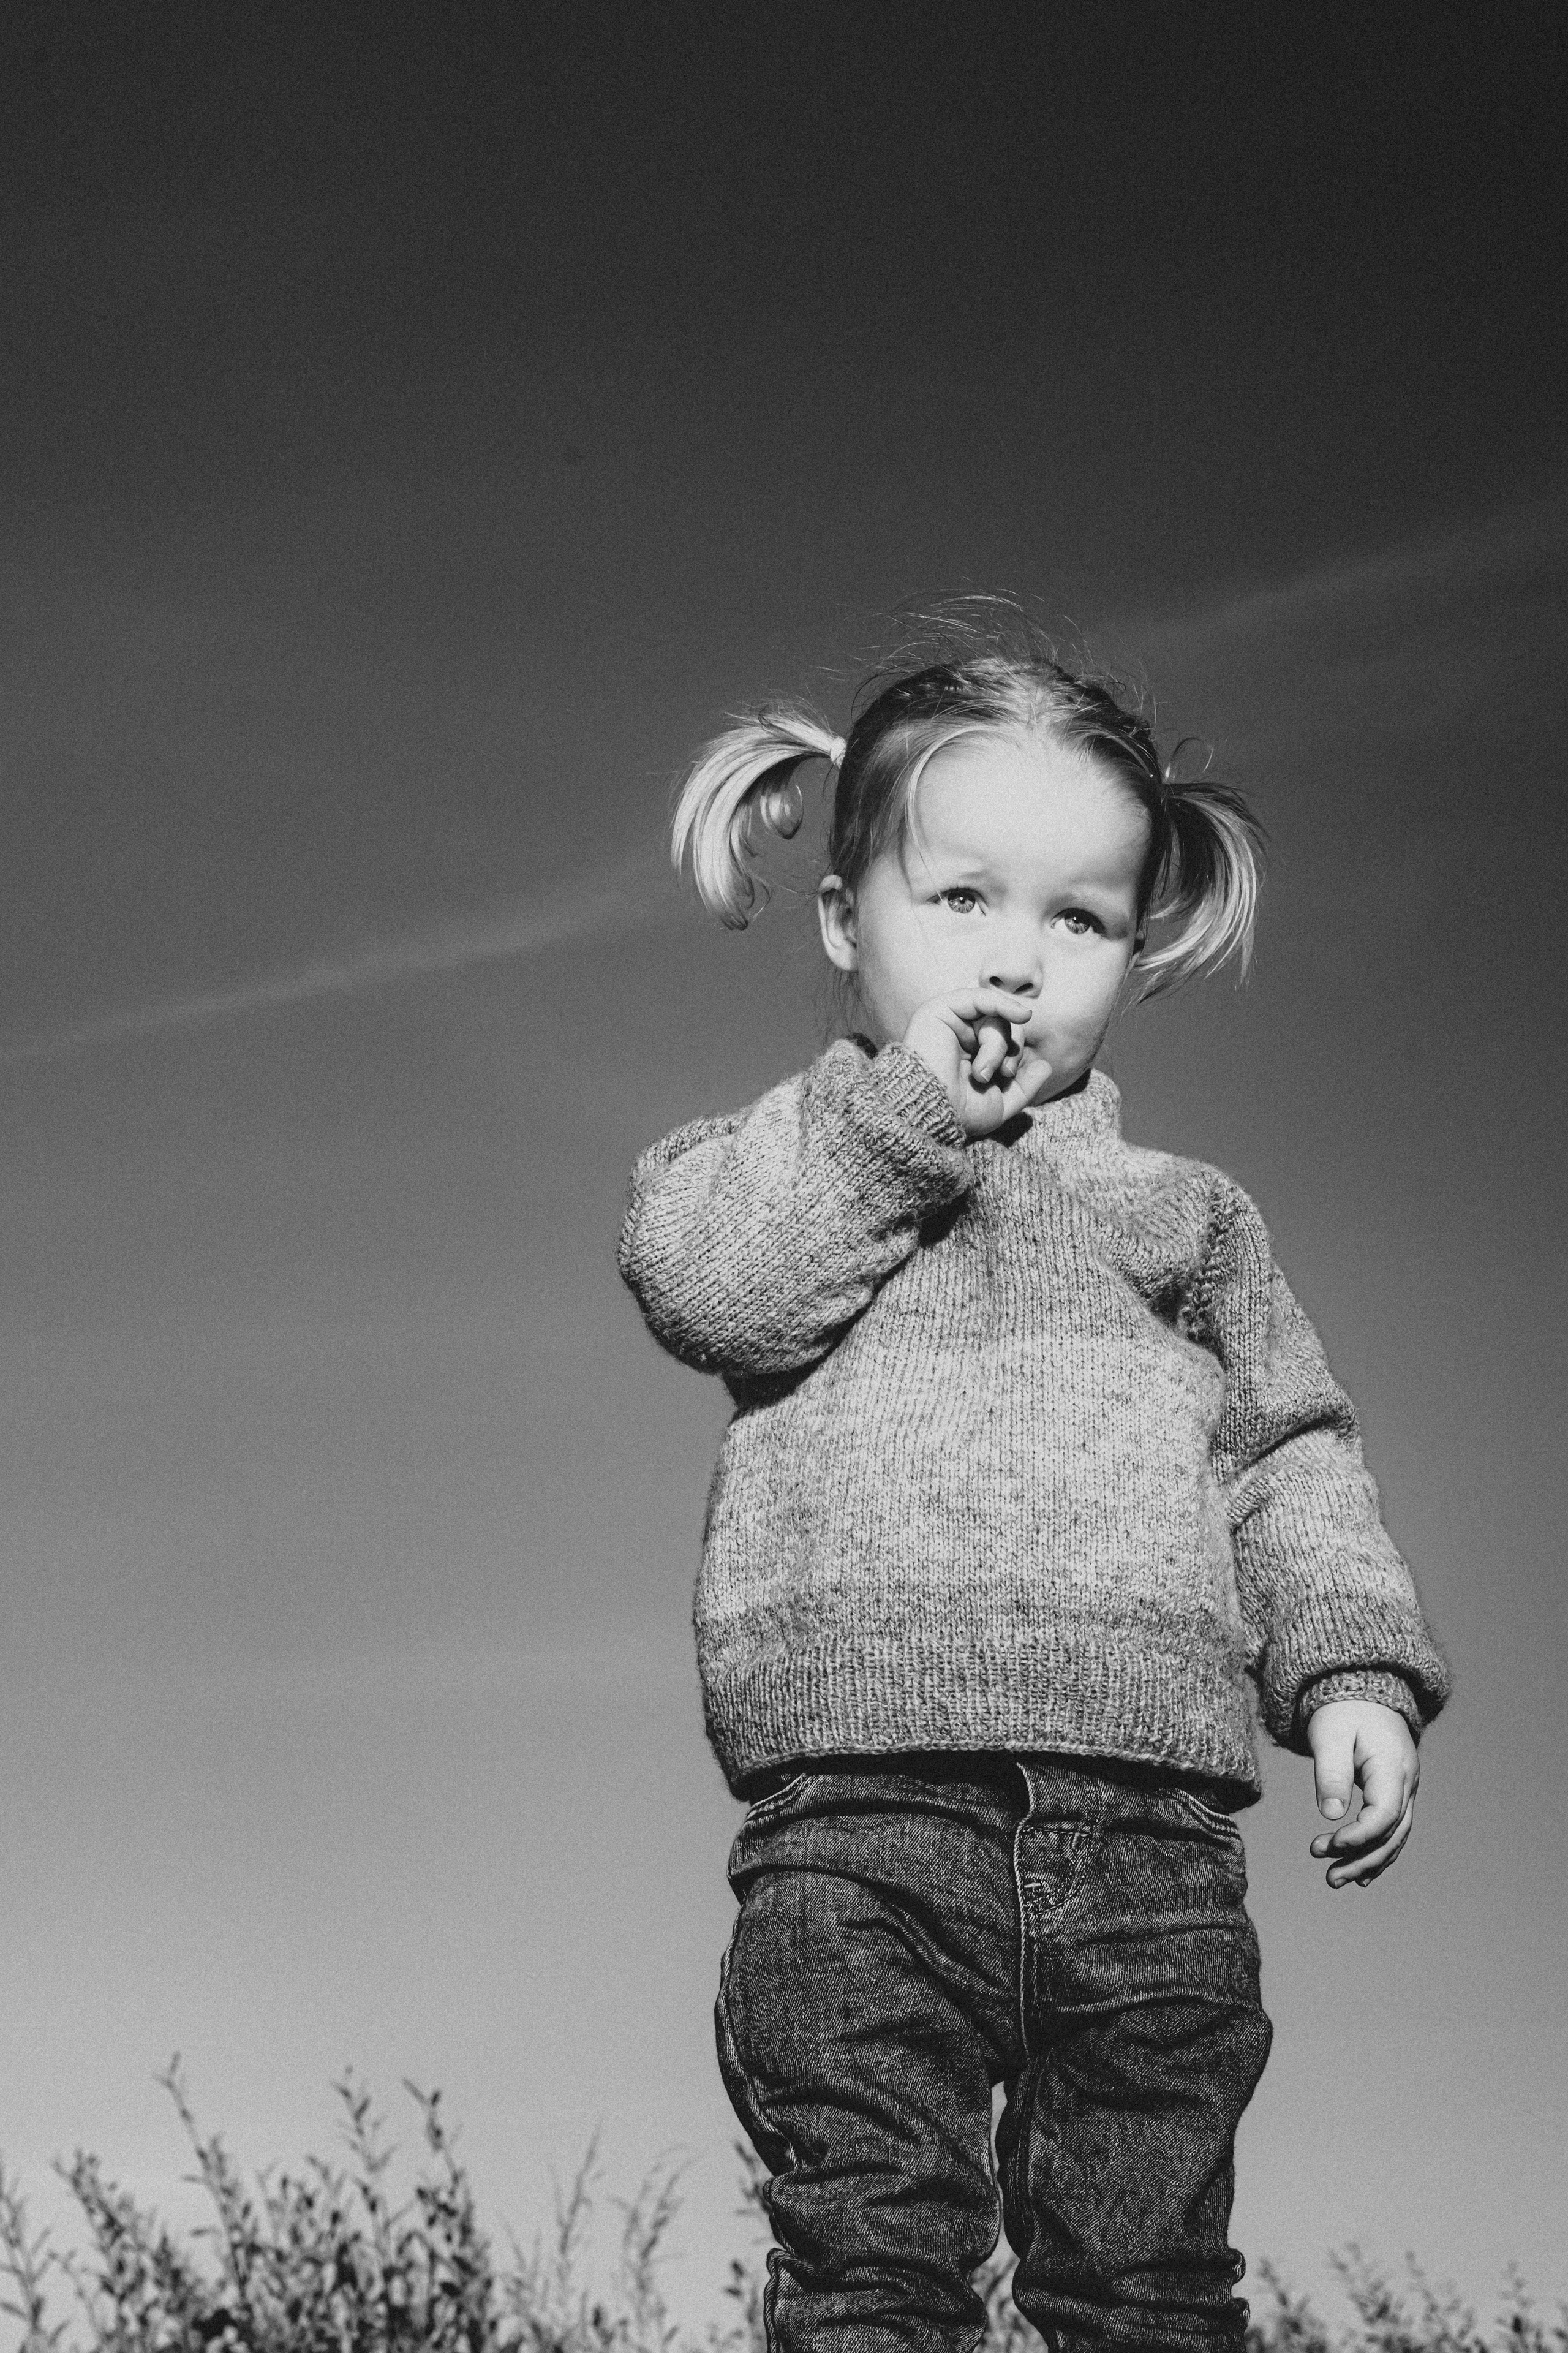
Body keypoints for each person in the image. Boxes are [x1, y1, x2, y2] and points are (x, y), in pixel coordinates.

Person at [617, 623, 1450, 2353]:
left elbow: (1291, 1445)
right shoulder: (780, 1164)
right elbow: (712, 1284)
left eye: (1079, 919)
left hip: (1152, 1835)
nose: (1018, 961)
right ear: (848, 921)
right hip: (860, 1824)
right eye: (965, 900)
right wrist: (902, 1115)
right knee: (874, 2274)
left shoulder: (1191, 1217)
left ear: (1137, 957)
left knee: (1145, 2284)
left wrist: (1353, 1671)